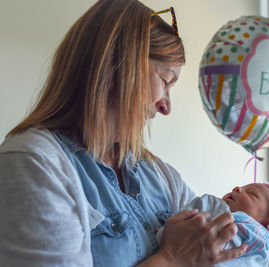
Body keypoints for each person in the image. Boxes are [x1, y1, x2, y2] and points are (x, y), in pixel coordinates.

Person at [0, 1, 248, 266]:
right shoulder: (34, 164)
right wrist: (172, 259)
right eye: (165, 80)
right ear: (118, 63)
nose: (166, 106)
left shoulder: (161, 176)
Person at [155, 182, 269, 266]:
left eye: (252, 194)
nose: (237, 188)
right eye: (243, 186)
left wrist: (162, 232)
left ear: (265, 225)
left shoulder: (253, 233)